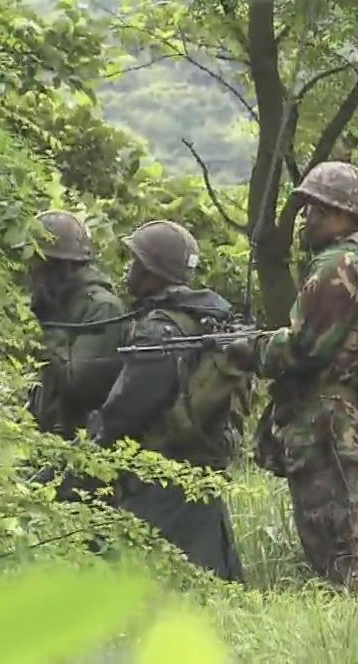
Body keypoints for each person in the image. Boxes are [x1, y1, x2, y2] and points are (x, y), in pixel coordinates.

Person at [227, 161, 358, 590]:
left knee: (335, 541)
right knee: (349, 534)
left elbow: (305, 348)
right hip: (351, 415)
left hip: (329, 421)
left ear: (342, 214)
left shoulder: (338, 266)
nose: (305, 219)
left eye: (315, 210)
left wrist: (250, 349)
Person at [88, 219, 250, 582]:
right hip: (199, 471)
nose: (130, 270)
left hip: (160, 478)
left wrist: (90, 448)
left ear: (150, 271)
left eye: (135, 262)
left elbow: (125, 411)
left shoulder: (159, 330)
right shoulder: (208, 319)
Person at [25, 210, 126, 503]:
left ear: (61, 267)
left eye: (38, 266)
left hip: (82, 456)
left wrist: (48, 328)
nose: (31, 274)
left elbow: (79, 383)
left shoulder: (102, 308)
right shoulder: (59, 302)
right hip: (47, 445)